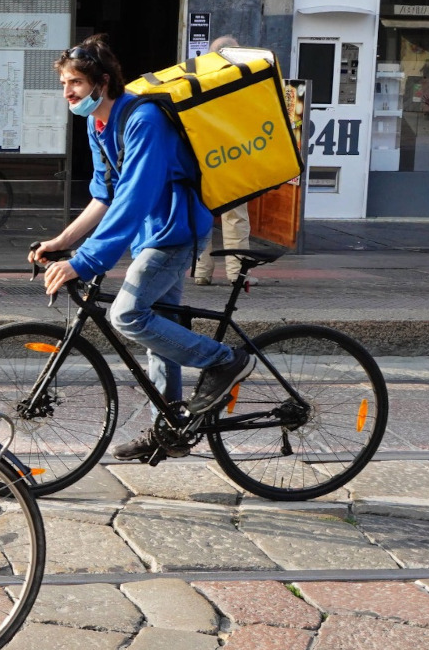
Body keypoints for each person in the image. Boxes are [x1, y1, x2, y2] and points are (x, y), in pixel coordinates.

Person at [30, 35, 255, 461]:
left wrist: (86, 260)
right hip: (149, 235)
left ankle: (224, 360)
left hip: (174, 232)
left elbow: (135, 196)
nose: (67, 93)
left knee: (128, 314)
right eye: (63, 84)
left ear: (102, 80)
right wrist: (61, 242)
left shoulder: (144, 119)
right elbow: (105, 195)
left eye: (75, 82)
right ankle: (172, 425)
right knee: (157, 333)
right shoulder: (97, 123)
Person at [193, 35, 258, 287]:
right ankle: (237, 273)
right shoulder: (244, 80)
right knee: (236, 219)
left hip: (205, 159)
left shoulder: (199, 80)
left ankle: (201, 271)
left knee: (203, 216)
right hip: (233, 157)